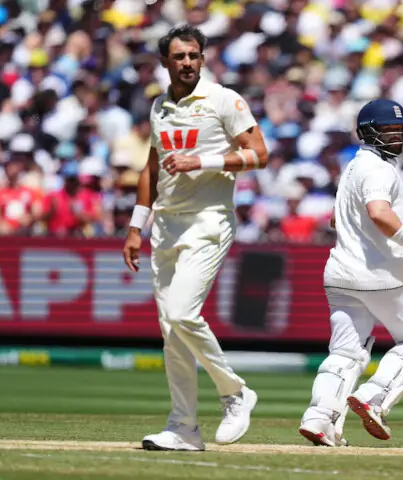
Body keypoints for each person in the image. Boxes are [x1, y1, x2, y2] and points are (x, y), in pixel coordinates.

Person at [122, 25, 269, 452]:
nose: (187, 63)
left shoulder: (224, 99)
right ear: (165, 62)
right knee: (171, 330)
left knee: (184, 314)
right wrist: (136, 226)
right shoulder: (160, 106)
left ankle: (235, 391)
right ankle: (183, 427)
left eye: (193, 55)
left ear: (202, 59)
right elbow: (151, 168)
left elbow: (260, 154)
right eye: (179, 56)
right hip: (166, 225)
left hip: (208, 220)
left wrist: (201, 161)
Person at [298, 99, 403, 447]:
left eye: (399, 129)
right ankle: (374, 396)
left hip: (340, 274)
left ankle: (320, 418)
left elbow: (338, 219)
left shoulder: (352, 167)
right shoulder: (380, 169)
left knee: (346, 353)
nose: (396, 135)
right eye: (388, 129)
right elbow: (378, 211)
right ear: (369, 132)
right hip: (383, 275)